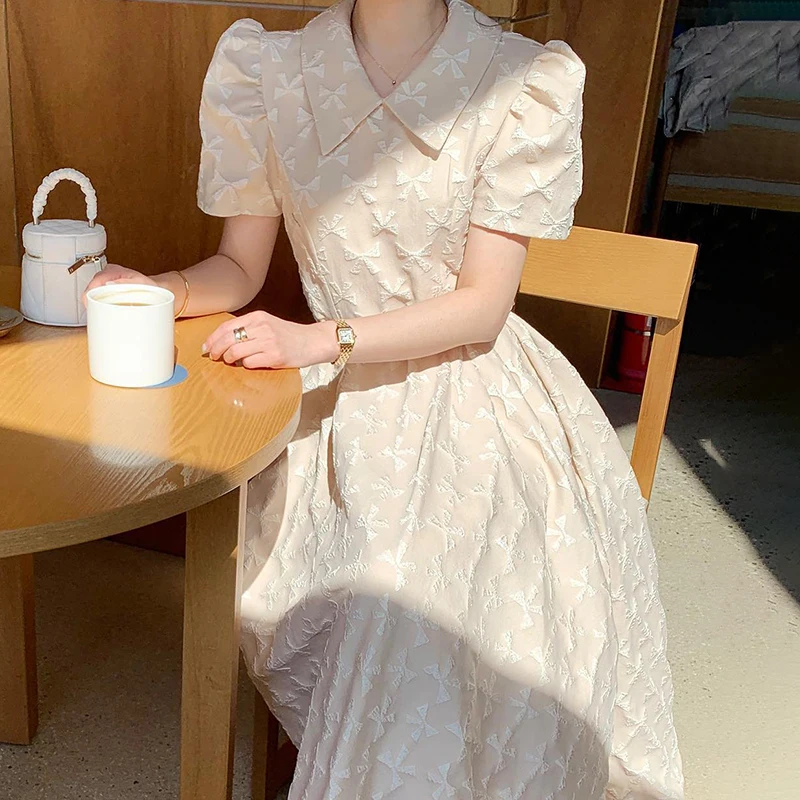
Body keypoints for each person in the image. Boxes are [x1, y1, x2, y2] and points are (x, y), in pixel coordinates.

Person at [88, 0, 684, 796]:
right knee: (376, 593)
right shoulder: (266, 70)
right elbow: (238, 268)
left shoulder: (521, 80)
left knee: (420, 591)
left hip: (478, 391)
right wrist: (158, 290)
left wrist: (319, 340)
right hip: (335, 396)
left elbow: (482, 308)